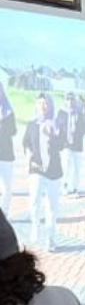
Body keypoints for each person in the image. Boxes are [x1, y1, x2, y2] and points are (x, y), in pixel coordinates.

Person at [23, 95, 63, 253]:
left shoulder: (57, 123)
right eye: (40, 103)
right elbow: (26, 142)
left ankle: (50, 238)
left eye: (46, 104)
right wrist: (28, 154)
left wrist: (54, 133)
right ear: (36, 106)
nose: (43, 106)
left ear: (50, 106)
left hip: (53, 170)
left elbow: (61, 145)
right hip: (36, 168)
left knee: (52, 206)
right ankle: (35, 224)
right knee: (34, 200)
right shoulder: (32, 124)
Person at [59, 93, 85, 198]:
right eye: (68, 99)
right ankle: (65, 185)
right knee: (66, 166)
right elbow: (58, 127)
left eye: (72, 99)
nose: (70, 101)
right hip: (66, 144)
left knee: (76, 168)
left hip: (77, 144)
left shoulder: (80, 113)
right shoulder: (62, 113)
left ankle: (75, 187)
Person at [0, 83, 15, 218]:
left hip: (6, 155)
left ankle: (4, 212)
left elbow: (13, 131)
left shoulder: (9, 112)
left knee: (6, 188)